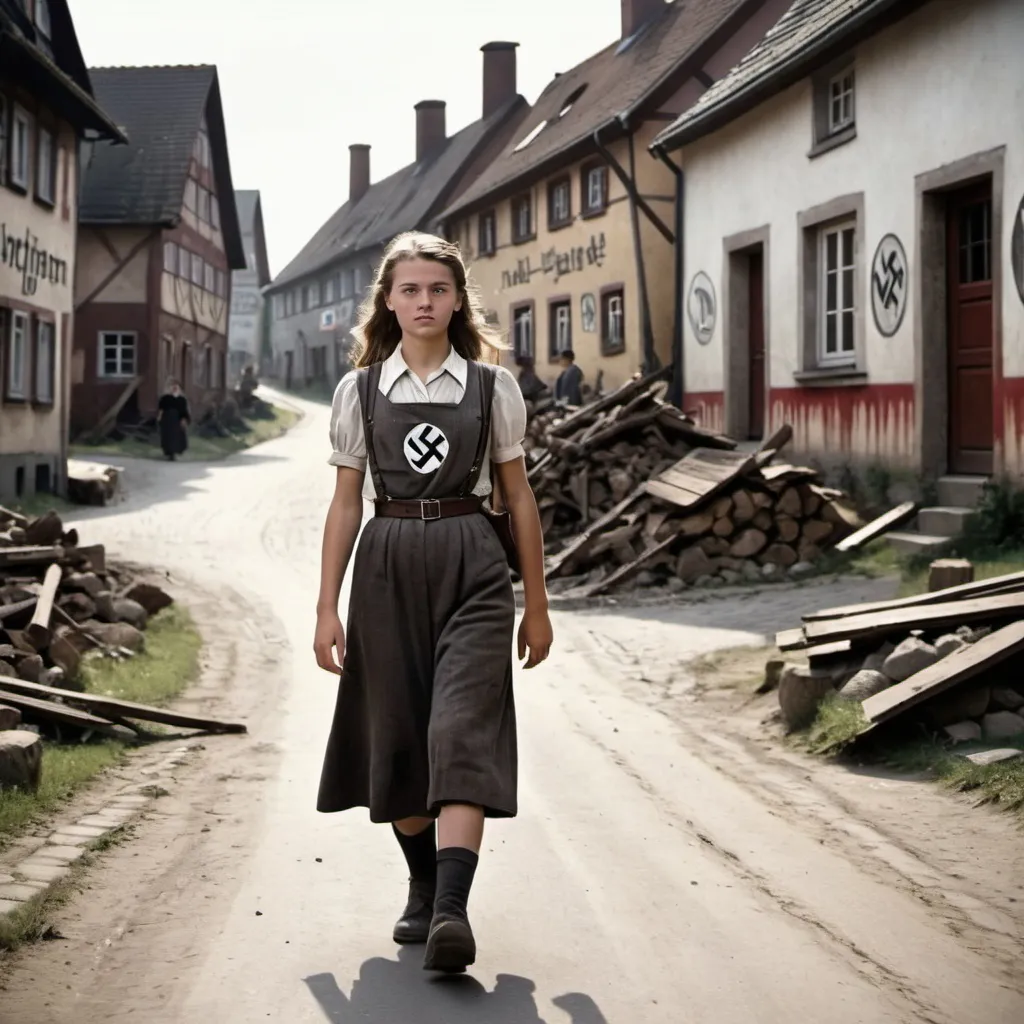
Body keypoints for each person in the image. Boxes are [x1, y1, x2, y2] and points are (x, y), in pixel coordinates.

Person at [313, 232, 553, 975]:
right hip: (384, 565)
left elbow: (517, 498)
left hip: (471, 561)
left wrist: (536, 604)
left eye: (439, 290)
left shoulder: (492, 387)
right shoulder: (359, 392)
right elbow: (346, 504)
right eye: (410, 290)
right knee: (402, 742)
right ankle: (422, 882)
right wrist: (327, 605)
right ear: (389, 300)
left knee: (460, 730)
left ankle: (451, 912)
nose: (425, 302)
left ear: (458, 300)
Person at [156, 379, 190, 460]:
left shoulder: (182, 399)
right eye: (173, 386)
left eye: (176, 386)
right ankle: (169, 453)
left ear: (179, 389)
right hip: (167, 420)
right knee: (167, 437)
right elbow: (161, 409)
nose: (174, 388)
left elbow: (184, 411)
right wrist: (159, 417)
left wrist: (185, 420)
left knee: (176, 438)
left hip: (177, 421)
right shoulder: (165, 398)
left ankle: (175, 453)